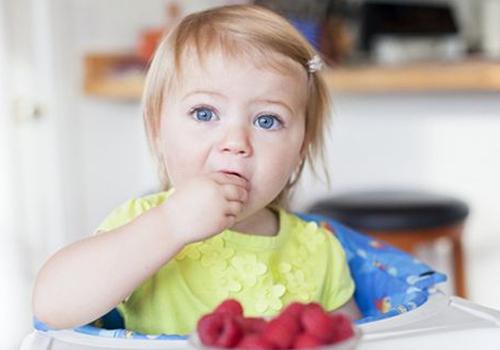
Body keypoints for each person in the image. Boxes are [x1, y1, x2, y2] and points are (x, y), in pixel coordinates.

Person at [32, 4, 361, 335]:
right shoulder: (142, 223)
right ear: (157, 130)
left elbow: (361, 340)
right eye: (205, 113)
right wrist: (170, 225)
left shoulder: (321, 251)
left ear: (300, 149)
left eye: (267, 120)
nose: (236, 142)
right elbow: (53, 305)